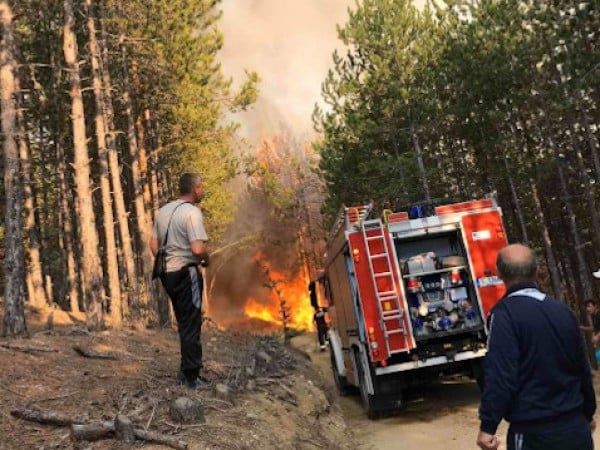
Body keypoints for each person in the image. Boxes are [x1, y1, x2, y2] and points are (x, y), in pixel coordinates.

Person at [477, 244, 596, 450]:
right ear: (536, 271)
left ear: (500, 274)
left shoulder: (504, 315)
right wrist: (588, 412)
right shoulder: (562, 311)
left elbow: (501, 374)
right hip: (576, 429)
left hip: (533, 433)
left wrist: (488, 425)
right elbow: (582, 368)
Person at [150, 173, 210, 389]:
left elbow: (152, 244)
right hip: (187, 272)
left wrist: (167, 260)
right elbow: (197, 248)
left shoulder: (162, 211)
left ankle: (186, 371)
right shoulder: (192, 213)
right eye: (201, 187)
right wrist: (206, 258)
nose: (202, 191)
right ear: (194, 189)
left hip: (168, 274)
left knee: (184, 321)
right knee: (192, 321)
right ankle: (192, 377)